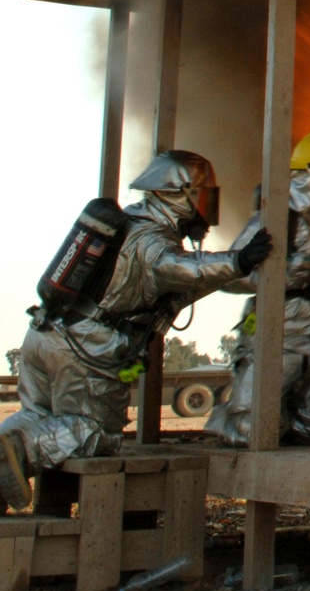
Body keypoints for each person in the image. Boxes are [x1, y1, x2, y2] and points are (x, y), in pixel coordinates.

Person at [0, 151, 271, 511]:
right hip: (85, 350)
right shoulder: (152, 239)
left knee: (38, 416)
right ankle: (17, 451)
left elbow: (179, 287)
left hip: (45, 332)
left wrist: (233, 270)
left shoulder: (128, 222)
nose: (207, 207)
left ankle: (8, 446)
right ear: (181, 194)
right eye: (204, 196)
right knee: (93, 431)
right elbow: (177, 268)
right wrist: (237, 260)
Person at [205, 131, 310, 447]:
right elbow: (229, 275)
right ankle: (228, 414)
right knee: (250, 427)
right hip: (275, 331)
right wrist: (279, 274)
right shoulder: (277, 218)